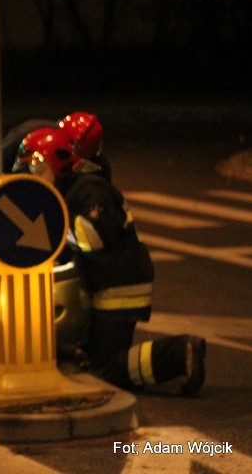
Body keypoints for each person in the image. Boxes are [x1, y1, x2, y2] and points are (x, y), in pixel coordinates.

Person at [14, 128, 206, 396]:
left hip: (120, 289)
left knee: (106, 370)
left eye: (36, 169)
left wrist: (55, 231)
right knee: (88, 357)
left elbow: (93, 238)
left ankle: (179, 353)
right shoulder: (70, 189)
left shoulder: (89, 190)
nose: (31, 178)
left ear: (57, 165)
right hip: (107, 283)